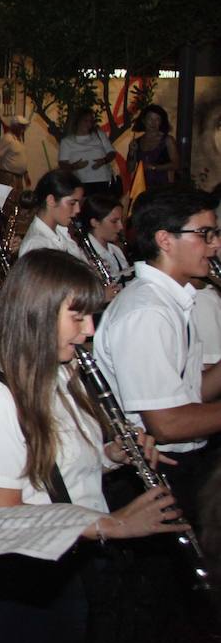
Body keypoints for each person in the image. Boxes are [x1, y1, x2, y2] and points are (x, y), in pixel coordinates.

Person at [0, 249, 182, 643]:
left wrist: (112, 455)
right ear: (37, 314)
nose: (90, 331)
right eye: (78, 317)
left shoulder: (63, 373)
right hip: (34, 584)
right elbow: (2, 514)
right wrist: (108, 525)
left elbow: (60, 470)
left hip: (77, 564)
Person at [95, 188, 221, 492]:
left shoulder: (170, 301)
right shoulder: (147, 312)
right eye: (205, 233)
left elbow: (191, 394)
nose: (215, 244)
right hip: (155, 469)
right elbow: (166, 425)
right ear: (165, 240)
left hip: (182, 459)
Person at [17, 170, 86, 261]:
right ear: (51, 200)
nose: (78, 210)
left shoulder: (60, 232)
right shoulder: (37, 246)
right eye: (72, 203)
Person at [58, 108, 117, 195]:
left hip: (103, 180)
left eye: (91, 121)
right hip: (81, 182)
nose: (89, 124)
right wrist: (75, 166)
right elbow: (62, 164)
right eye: (85, 121)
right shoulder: (67, 141)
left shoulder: (99, 134)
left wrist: (103, 161)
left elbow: (112, 152)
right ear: (78, 121)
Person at [77, 193, 129, 284]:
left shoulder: (115, 250)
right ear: (95, 222)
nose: (121, 227)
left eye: (120, 221)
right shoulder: (82, 256)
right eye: (114, 221)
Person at [128, 104, 179, 189]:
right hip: (143, 187)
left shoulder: (168, 140)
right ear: (144, 120)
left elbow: (176, 164)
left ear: (161, 122)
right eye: (150, 119)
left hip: (163, 188)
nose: (153, 123)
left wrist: (154, 167)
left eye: (157, 119)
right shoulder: (137, 141)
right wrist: (131, 151)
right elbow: (130, 168)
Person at [0, 115, 30, 190]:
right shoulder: (8, 138)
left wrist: (26, 175)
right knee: (9, 199)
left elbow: (19, 158)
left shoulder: (18, 139)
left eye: (24, 126)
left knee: (16, 199)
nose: (23, 129)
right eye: (21, 126)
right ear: (14, 126)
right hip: (9, 177)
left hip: (18, 177)